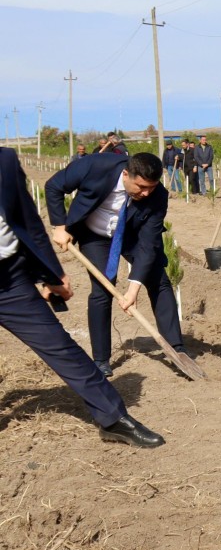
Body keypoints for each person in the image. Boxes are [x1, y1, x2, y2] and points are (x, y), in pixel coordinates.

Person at [1, 147, 163, 448]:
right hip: (70, 243)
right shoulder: (96, 167)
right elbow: (53, 187)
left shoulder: (5, 162)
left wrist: (50, 273)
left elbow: (26, 220)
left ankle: (113, 418)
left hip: (9, 279)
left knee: (61, 347)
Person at [44, 150, 192, 382]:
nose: (146, 193)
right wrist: (59, 226)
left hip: (132, 235)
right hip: (95, 235)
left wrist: (133, 289)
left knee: (159, 281)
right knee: (103, 288)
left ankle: (176, 347)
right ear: (126, 174)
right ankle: (101, 360)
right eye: (141, 186)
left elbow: (149, 244)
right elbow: (54, 186)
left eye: (151, 187)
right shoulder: (95, 166)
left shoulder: (157, 196)